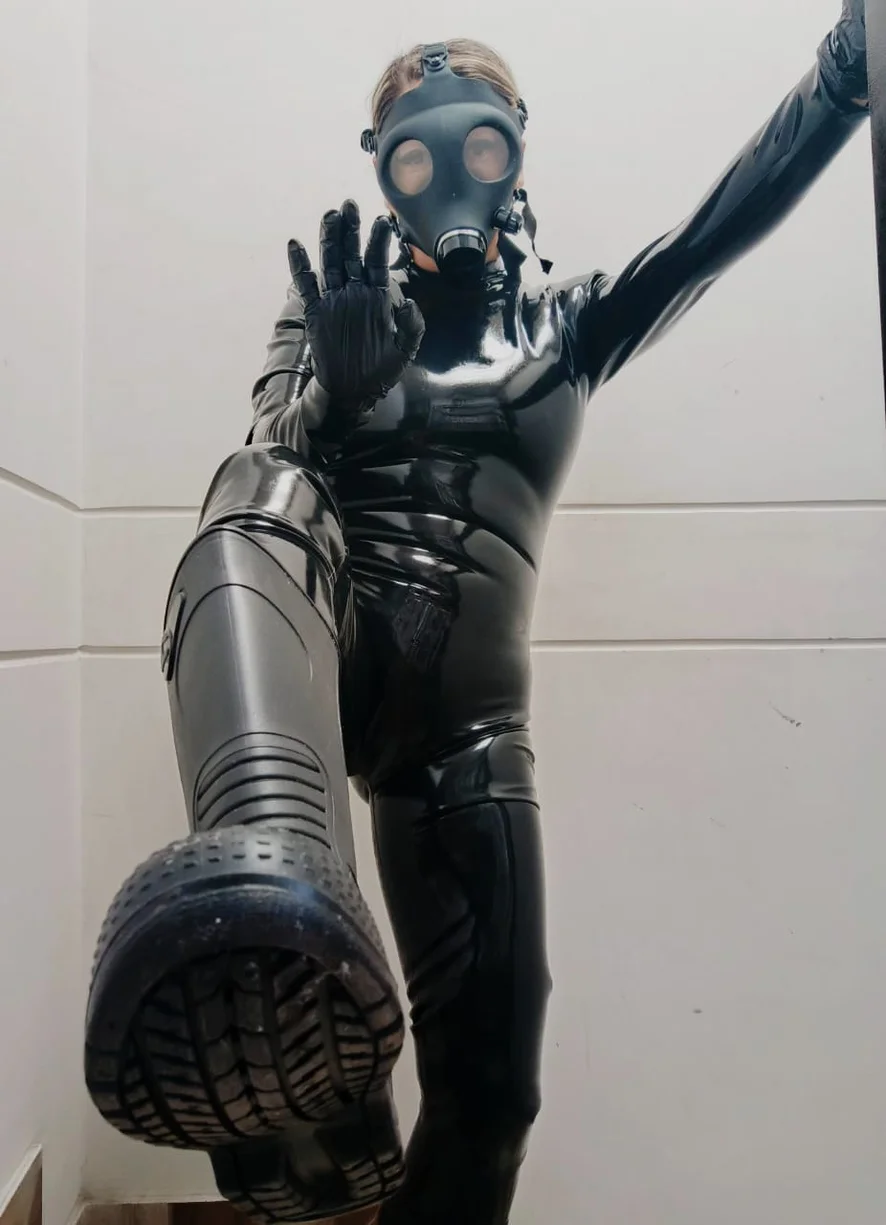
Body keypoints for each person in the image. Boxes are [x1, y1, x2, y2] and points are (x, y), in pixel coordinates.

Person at [84, 8, 870, 1225]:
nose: (451, 175)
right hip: (325, 678)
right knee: (255, 485)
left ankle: (331, 1086)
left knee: (494, 1098)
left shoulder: (571, 324)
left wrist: (842, 77)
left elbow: (718, 227)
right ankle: (280, 914)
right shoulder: (334, 313)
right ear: (382, 168)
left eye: (480, 147)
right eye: (415, 156)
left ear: (515, 150)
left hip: (464, 738)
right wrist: (326, 394)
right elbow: (265, 467)